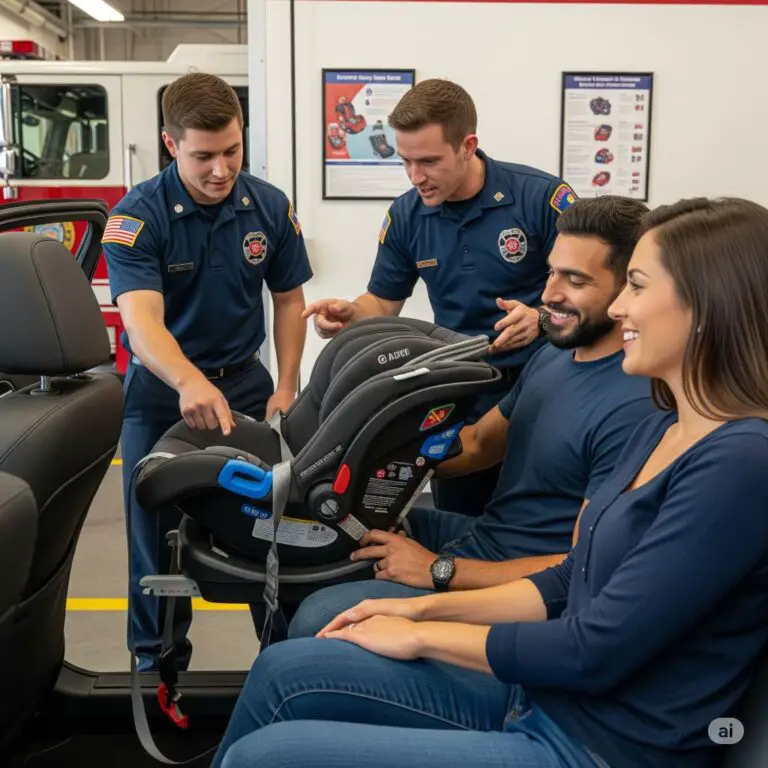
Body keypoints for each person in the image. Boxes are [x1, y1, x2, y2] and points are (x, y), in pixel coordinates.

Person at [211, 196, 768, 768]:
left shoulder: (740, 464)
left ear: (707, 306)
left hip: (595, 745)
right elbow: (569, 579)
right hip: (544, 698)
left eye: (638, 287)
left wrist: (426, 627)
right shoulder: (665, 426)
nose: (622, 307)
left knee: (263, 757)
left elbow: (595, 648)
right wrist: (417, 611)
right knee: (282, 672)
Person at [287, 195, 656, 639]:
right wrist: (365, 459)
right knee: (305, 536)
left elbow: (581, 568)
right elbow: (480, 443)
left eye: (575, 281)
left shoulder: (635, 406)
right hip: (484, 537)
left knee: (316, 617)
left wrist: (440, 570)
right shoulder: (553, 359)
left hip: (517, 581)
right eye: (552, 271)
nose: (549, 294)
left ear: (629, 288)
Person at [102, 72, 313, 672]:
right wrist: (188, 381)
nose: (221, 170)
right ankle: (158, 670)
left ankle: (285, 664)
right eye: (203, 156)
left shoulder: (268, 206)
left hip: (245, 384)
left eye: (232, 151)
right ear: (171, 145)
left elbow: (290, 299)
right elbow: (141, 321)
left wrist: (287, 384)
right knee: (156, 540)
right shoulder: (137, 217)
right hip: (161, 393)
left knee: (269, 527)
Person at [304, 78, 578, 516]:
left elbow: (597, 292)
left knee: (538, 519)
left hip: (543, 388)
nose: (416, 177)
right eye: (406, 162)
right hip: (461, 392)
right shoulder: (407, 215)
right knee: (461, 518)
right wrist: (352, 313)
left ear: (468, 145)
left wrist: (542, 318)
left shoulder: (541, 198)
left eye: (428, 161)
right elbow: (382, 301)